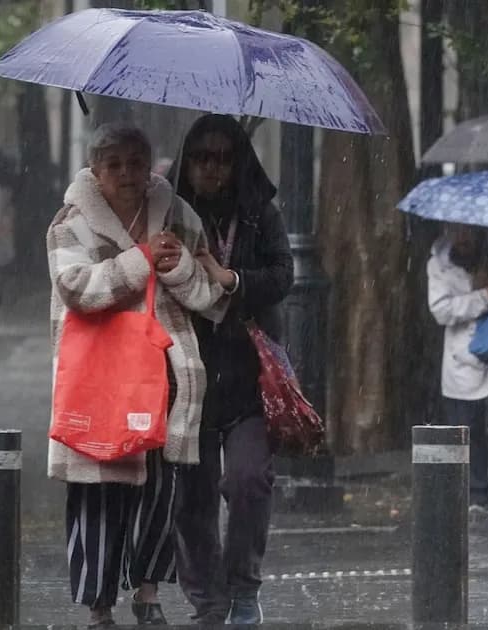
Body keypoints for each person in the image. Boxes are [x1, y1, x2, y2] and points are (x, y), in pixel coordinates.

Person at [47, 123, 224, 627]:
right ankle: (99, 608)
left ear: (149, 169)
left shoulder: (178, 216)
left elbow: (208, 298)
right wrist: (141, 261)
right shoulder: (70, 223)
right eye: (114, 165)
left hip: (165, 374)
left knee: (159, 493)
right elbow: (78, 289)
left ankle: (148, 594)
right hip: (99, 380)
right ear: (96, 172)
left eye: (135, 163)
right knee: (97, 491)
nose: (126, 174)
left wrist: (177, 267)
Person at [168, 114, 293, 626]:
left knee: (248, 482)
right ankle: (208, 601)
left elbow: (284, 275)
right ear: (187, 162)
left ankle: (243, 588)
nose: (211, 169)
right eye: (201, 157)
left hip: (247, 377)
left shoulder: (261, 215)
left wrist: (232, 278)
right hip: (187, 375)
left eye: (222, 158)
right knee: (190, 497)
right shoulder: (170, 215)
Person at [428, 224, 488, 511]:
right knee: (469, 430)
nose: (464, 237)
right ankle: (476, 494)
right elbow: (441, 311)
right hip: (461, 360)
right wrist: (483, 297)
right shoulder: (439, 265)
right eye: (458, 231)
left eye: (470, 232)